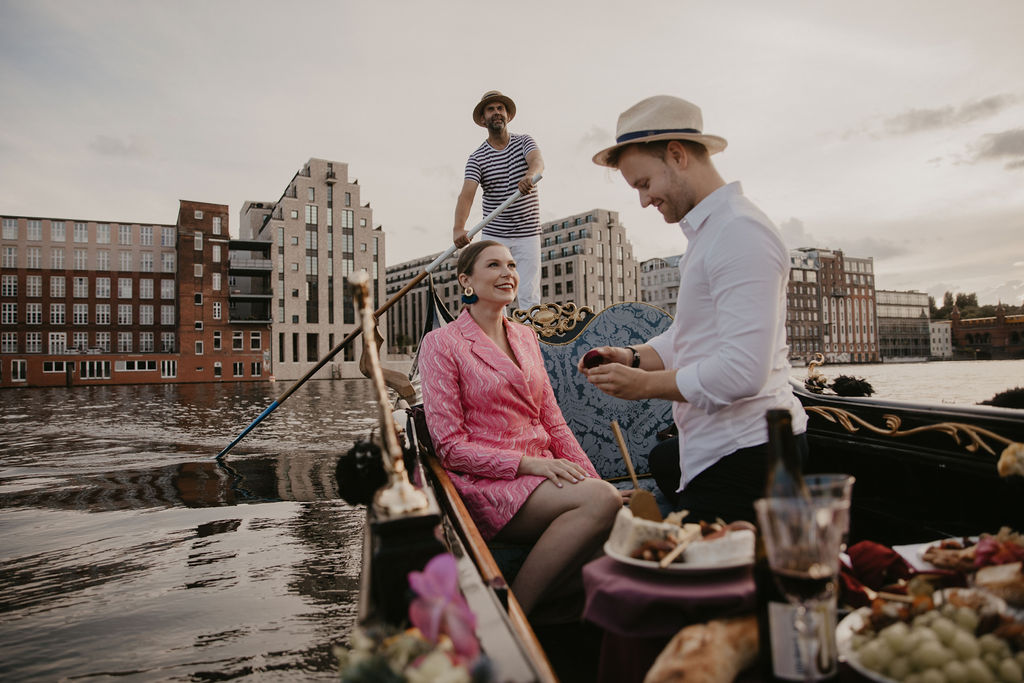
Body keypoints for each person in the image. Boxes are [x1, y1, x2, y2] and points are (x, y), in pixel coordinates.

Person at [580, 95, 809, 524]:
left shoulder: (739, 232)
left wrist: (642, 386)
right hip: (722, 450)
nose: (645, 201)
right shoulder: (714, 233)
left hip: (746, 456)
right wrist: (632, 357)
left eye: (644, 183)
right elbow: (693, 333)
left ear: (677, 155)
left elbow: (742, 371)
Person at [419, 240, 622, 616]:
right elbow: (449, 447)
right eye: (493, 266)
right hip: (488, 482)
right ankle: (515, 617)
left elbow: (552, 420)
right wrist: (530, 466)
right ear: (466, 281)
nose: (507, 273)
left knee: (618, 534)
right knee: (604, 504)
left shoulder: (526, 337)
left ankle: (543, 611)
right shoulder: (440, 343)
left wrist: (593, 481)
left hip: (543, 476)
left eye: (511, 265)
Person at [453, 90, 544, 312]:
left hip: (528, 231)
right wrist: (458, 228)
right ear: (483, 119)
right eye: (491, 109)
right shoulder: (477, 158)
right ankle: (496, 340)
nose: (497, 113)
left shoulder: (524, 142)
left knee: (528, 293)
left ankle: (531, 340)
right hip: (496, 233)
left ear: (508, 115)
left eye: (500, 108)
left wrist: (529, 176)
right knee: (494, 290)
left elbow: (537, 162)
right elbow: (467, 194)